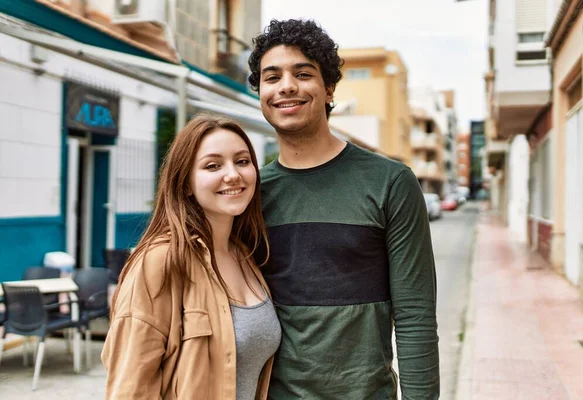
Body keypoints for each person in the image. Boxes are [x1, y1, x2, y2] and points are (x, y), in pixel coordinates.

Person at [248, 19, 440, 399]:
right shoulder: (249, 193)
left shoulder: (391, 182)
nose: (286, 86)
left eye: (302, 74)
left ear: (329, 87)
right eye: (272, 77)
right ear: (261, 92)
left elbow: (415, 316)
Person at [101, 115, 281, 400]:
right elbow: (129, 388)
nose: (233, 174)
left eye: (243, 161)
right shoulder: (160, 260)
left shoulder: (245, 255)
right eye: (213, 165)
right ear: (185, 183)